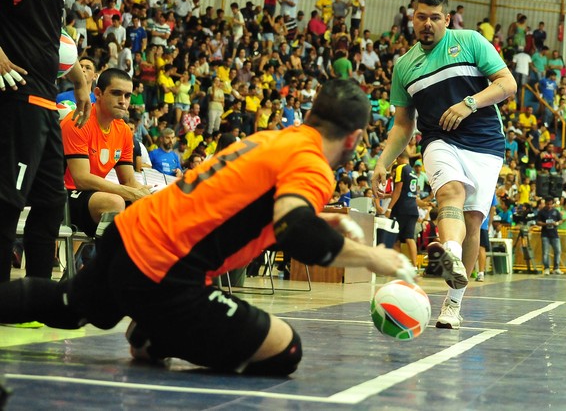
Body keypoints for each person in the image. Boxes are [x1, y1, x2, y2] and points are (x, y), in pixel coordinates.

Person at [0, 79, 415, 376]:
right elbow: (297, 234)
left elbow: (241, 206)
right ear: (355, 138)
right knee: (285, 349)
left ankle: (152, 328)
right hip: (161, 272)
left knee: (67, 304)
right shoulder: (312, 163)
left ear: (309, 114)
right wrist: (377, 257)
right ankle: (154, 333)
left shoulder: (274, 139)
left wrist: (321, 218)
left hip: (127, 237)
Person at [373, 0, 517, 330]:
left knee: (473, 222)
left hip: (486, 143)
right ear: (413, 18)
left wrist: (469, 103)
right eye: (421, 16)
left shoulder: (470, 42)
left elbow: (507, 83)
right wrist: (383, 162)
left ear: (446, 19)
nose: (427, 23)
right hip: (439, 139)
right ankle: (449, 252)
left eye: (435, 17)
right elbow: (404, 124)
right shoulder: (405, 66)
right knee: (450, 191)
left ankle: (453, 304)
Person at [0, 0, 91, 286]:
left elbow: (53, 30)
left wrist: (79, 79)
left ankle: (35, 293)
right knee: (8, 202)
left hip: (46, 102)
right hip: (17, 99)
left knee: (52, 201)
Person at [61, 69, 151, 237]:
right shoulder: (79, 120)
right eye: (116, 93)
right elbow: (81, 179)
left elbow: (129, 180)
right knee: (114, 202)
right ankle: (106, 261)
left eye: (127, 96)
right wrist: (131, 193)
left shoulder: (124, 130)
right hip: (63, 193)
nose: (123, 101)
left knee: (152, 207)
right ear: (98, 93)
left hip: (91, 195)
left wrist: (151, 197)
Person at [387, 152, 419, 268]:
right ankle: (415, 266)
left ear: (399, 158)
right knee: (410, 237)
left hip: (401, 208)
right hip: (412, 208)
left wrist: (389, 208)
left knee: (395, 239)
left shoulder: (401, 168)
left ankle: (399, 267)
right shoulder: (413, 171)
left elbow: (398, 189)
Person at [537, 197, 563, 275]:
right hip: (545, 234)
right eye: (547, 204)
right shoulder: (541, 212)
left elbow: (560, 220)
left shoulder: (556, 211)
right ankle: (546, 268)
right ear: (545, 204)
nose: (549, 206)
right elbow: (538, 222)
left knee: (558, 251)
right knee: (545, 252)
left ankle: (556, 268)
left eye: (550, 204)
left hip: (554, 234)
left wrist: (556, 223)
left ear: (552, 204)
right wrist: (545, 224)